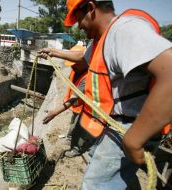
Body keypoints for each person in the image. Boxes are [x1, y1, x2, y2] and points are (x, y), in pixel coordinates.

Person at [39, 0, 172, 189]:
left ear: (91, 8)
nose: (78, 26)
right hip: (115, 125)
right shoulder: (102, 40)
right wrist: (54, 52)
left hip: (130, 126)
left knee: (95, 184)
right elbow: (83, 57)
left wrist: (134, 139)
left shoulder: (123, 31)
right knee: (111, 172)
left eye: (78, 18)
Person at [42, 43, 95, 157]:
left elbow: (73, 99)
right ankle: (70, 138)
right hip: (77, 106)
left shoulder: (87, 78)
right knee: (73, 124)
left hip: (86, 109)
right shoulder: (76, 70)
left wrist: (55, 112)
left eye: (74, 64)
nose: (72, 66)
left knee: (80, 128)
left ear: (84, 61)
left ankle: (77, 149)